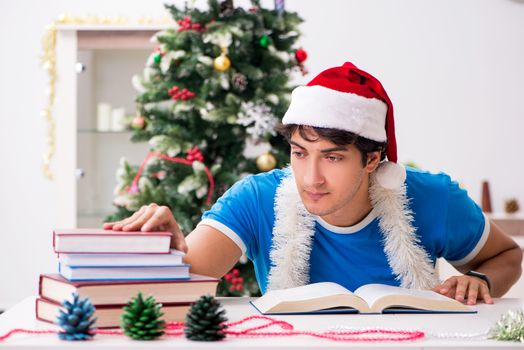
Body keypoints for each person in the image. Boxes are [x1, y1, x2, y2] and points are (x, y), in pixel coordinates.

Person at [104, 61, 522, 305]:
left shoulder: (433, 198)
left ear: (373, 159)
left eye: (333, 157)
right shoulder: (256, 198)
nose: (310, 177)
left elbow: (509, 257)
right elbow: (184, 285)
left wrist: (480, 281)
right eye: (300, 153)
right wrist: (170, 249)